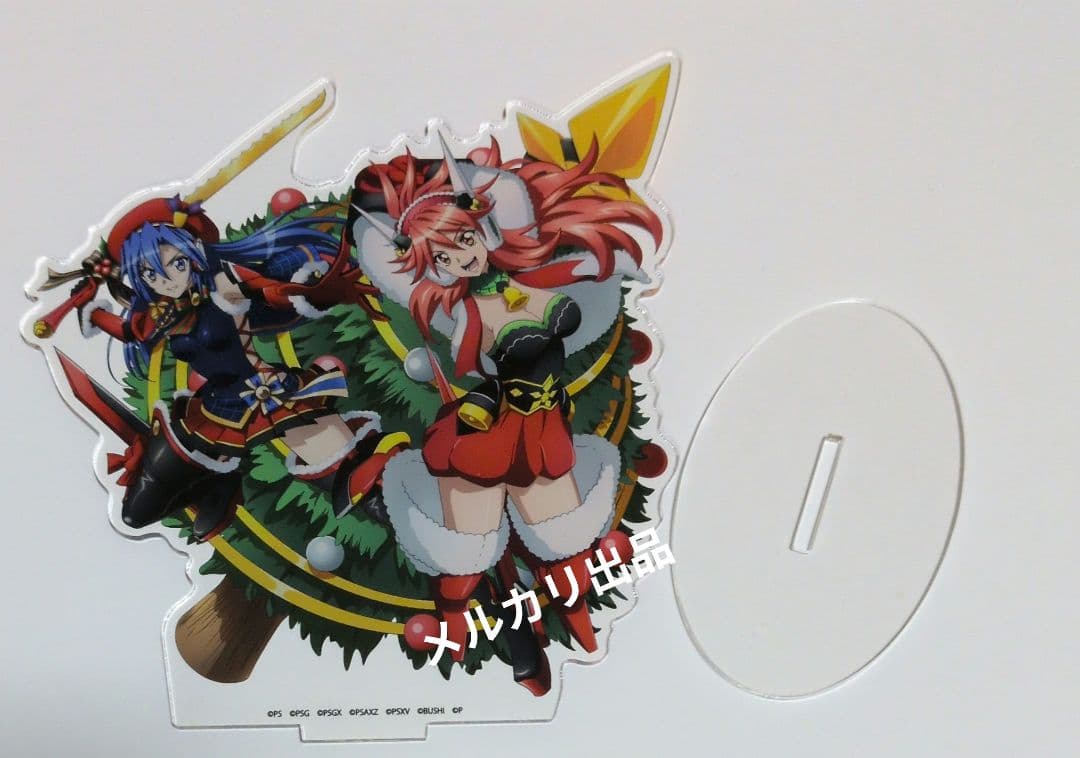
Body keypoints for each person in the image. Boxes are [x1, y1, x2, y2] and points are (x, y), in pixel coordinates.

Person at [348, 133, 661, 692]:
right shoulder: (463, 313)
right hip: (490, 427)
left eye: (464, 239)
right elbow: (472, 359)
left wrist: (616, 267)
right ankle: (458, 614)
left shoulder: (531, 276)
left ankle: (576, 624)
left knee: (561, 530)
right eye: (443, 257)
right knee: (468, 541)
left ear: (485, 228)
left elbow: (577, 273)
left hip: (544, 424)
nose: (461, 257)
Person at [65, 195, 403, 539]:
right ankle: (218, 486)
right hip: (214, 407)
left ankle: (405, 503)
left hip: (265, 392)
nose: (168, 280)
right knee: (141, 505)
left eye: (177, 263)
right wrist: (89, 308)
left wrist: (314, 290)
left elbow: (270, 291)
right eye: (151, 274)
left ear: (193, 255)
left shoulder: (223, 289)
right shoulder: (161, 315)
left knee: (345, 467)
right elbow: (128, 330)